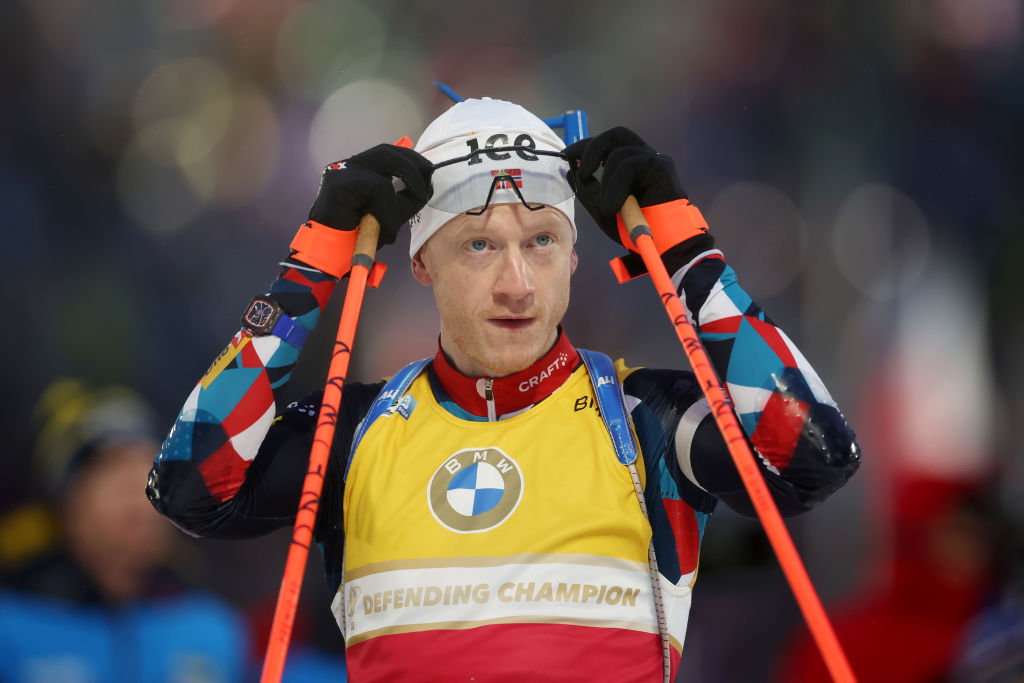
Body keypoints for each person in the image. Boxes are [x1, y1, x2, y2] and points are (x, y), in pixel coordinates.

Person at [146, 97, 861, 681]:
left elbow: (816, 454)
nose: (517, 283)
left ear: (576, 256)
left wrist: (687, 250)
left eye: (541, 241)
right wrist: (309, 270)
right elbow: (187, 486)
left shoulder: (648, 418)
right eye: (479, 244)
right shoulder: (358, 430)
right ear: (423, 262)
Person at [0, 380, 248, 683]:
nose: (136, 488)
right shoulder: (12, 627)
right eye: (111, 467)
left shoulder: (215, 629)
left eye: (153, 466)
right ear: (67, 504)